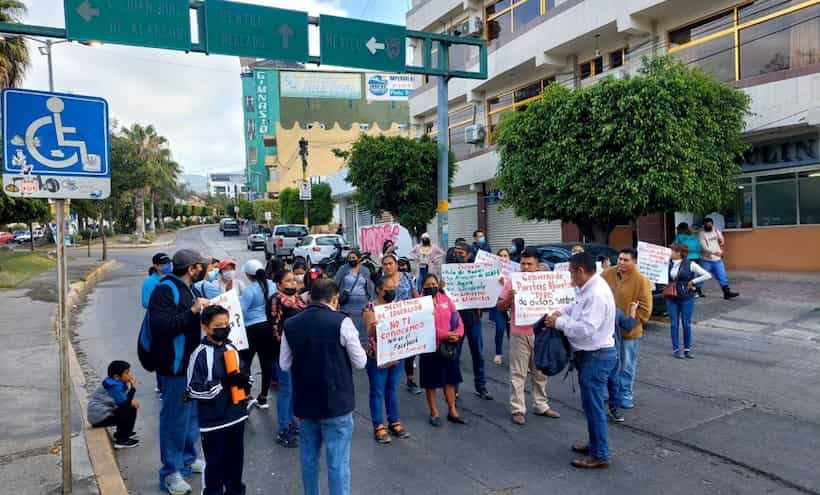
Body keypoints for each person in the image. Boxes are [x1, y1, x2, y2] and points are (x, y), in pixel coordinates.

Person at [280, 277, 367, 495]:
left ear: (309, 297)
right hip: (336, 403)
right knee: (337, 463)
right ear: (334, 298)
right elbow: (360, 362)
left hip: (306, 404)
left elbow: (284, 364)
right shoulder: (341, 322)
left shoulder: (291, 324)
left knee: (309, 460)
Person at [546, 252, 617, 469]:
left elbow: (586, 329)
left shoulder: (595, 293)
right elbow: (576, 308)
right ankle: (595, 444)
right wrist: (562, 312)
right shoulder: (588, 288)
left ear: (580, 271)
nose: (570, 278)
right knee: (590, 406)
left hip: (596, 356)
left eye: (571, 273)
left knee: (594, 407)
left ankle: (600, 454)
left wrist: (559, 323)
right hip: (591, 355)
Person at [148, 249, 211, 495]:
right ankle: (170, 472)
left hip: (191, 366)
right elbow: (162, 326)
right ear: (192, 268)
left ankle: (187, 458)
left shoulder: (189, 288)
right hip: (174, 368)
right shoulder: (166, 290)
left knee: (191, 416)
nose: (205, 269)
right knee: (174, 419)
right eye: (202, 266)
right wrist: (194, 311)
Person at [187, 305, 251, 495]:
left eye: (226, 324)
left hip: (236, 417)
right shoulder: (198, 354)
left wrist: (244, 381)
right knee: (215, 469)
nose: (224, 328)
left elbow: (244, 375)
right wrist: (222, 383)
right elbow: (192, 390)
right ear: (206, 327)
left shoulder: (231, 347)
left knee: (235, 467)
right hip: (214, 423)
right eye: (218, 325)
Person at [497, 247, 560, 425]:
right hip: (519, 333)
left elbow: (559, 304)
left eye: (529, 264)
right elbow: (499, 307)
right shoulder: (513, 281)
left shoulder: (548, 281)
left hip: (541, 334)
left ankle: (541, 405)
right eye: (523, 263)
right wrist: (509, 298)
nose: (525, 267)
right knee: (518, 373)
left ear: (538, 265)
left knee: (540, 372)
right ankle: (518, 408)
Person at [601, 248, 653, 410]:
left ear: (635, 261)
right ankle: (607, 393)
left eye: (626, 260)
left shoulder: (641, 280)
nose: (621, 263)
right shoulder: (607, 274)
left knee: (627, 365)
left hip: (629, 332)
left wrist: (631, 321)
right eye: (620, 259)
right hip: (607, 331)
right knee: (607, 363)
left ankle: (625, 394)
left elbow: (645, 309)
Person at [361, 276, 411, 443]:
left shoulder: (399, 306)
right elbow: (369, 332)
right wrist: (377, 326)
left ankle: (394, 421)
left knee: (392, 388)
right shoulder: (370, 307)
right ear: (378, 290)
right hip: (377, 356)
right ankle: (378, 425)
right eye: (386, 289)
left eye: (392, 287)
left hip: (396, 353)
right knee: (377, 390)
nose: (390, 291)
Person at [418, 273, 467, 426]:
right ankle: (434, 412)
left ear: (438, 285)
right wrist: (446, 335)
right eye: (428, 284)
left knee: (450, 381)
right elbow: (423, 325)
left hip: (448, 347)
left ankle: (452, 411)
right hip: (430, 347)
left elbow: (457, 318)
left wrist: (457, 334)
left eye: (434, 284)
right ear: (423, 286)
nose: (431, 287)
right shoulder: (419, 303)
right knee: (431, 383)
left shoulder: (446, 299)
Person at [450, 246, 492, 400]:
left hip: (473, 319)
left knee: (478, 354)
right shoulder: (450, 272)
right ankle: (454, 387)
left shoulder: (477, 272)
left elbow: (487, 290)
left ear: (469, 256)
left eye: (461, 254)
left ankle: (480, 386)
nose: (458, 256)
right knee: (455, 355)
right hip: (456, 321)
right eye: (456, 254)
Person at [271, 269, 307, 448]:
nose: (293, 283)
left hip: (299, 351)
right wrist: (284, 348)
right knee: (286, 389)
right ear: (279, 284)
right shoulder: (277, 300)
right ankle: (283, 429)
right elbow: (275, 327)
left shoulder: (299, 299)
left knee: (294, 388)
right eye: (288, 281)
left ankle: (292, 422)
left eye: (294, 280)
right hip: (283, 352)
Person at [382, 254, 423, 396]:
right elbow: (377, 300)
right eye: (385, 264)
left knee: (410, 351)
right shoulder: (381, 281)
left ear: (396, 264)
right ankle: (390, 381)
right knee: (394, 351)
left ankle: (410, 380)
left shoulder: (407, 277)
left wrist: (423, 309)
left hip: (408, 320)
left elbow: (415, 294)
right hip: (391, 322)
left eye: (390, 263)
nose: (388, 266)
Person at [239, 259, 277, 410]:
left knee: (246, 362)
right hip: (269, 327)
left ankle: (247, 395)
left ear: (249, 275)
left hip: (252, 329)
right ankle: (263, 397)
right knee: (266, 362)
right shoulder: (273, 285)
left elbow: (242, 311)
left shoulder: (249, 290)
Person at [667, 243, 712, 359]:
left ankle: (687, 349)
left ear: (678, 253)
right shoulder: (667, 263)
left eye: (671, 251)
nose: (669, 253)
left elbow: (707, 275)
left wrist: (693, 281)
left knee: (686, 323)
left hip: (686, 296)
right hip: (671, 296)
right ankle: (676, 349)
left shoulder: (690, 264)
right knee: (674, 324)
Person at [87, 360, 140, 449]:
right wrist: (133, 389)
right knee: (129, 409)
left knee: (129, 407)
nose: (130, 375)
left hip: (100, 416)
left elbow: (122, 400)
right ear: (116, 376)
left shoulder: (115, 382)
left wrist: (130, 399)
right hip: (99, 418)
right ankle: (122, 440)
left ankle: (123, 432)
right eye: (127, 373)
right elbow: (124, 404)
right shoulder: (114, 386)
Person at [142, 252, 172, 393]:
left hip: (172, 320)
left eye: (168, 263)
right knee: (161, 354)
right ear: (156, 266)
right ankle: (161, 385)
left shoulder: (171, 278)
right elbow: (146, 302)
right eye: (163, 264)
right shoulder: (150, 282)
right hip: (157, 322)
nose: (167, 266)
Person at [334, 249, 375, 339]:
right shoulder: (343, 269)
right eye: (349, 258)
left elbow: (369, 285)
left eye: (353, 258)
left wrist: (370, 300)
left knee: (362, 326)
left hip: (362, 304)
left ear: (359, 259)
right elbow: (336, 283)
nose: (351, 260)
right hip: (347, 303)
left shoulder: (365, 270)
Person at [698, 217, 739, 300]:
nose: (708, 226)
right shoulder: (701, 234)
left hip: (717, 259)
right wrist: (714, 252)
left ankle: (726, 293)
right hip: (706, 259)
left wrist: (721, 240)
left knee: (722, 276)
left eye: (710, 224)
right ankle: (697, 291)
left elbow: (722, 240)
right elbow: (703, 247)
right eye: (707, 225)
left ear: (713, 224)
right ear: (704, 225)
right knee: (702, 276)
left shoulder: (716, 231)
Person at [490, 248, 513, 365]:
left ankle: (515, 356)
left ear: (509, 258)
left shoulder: (515, 271)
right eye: (501, 256)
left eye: (506, 255)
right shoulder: (493, 271)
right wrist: (496, 282)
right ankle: (498, 353)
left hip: (512, 307)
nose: (503, 258)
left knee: (512, 332)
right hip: (498, 304)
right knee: (500, 329)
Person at [673, 222, 704, 297]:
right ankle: (697, 291)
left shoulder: (679, 237)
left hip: (686, 258)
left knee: (686, 275)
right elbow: (699, 248)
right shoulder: (693, 237)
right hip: (696, 257)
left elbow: (674, 246)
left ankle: (688, 291)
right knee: (693, 274)